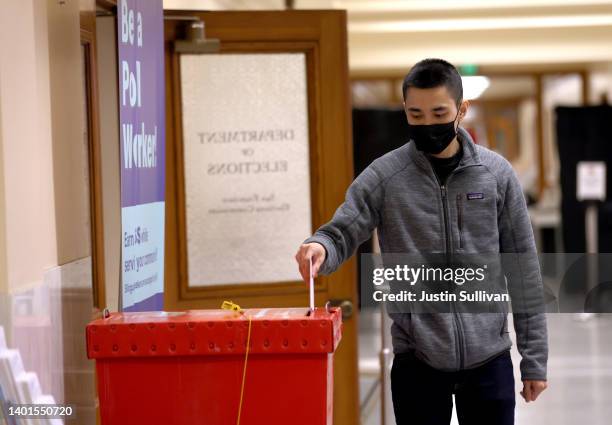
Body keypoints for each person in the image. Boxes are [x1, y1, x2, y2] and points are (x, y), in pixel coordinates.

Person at [294, 58, 548, 425]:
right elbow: (342, 230)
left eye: (439, 112)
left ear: (462, 109)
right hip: (418, 360)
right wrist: (320, 247)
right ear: (405, 112)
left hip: (489, 358)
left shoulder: (496, 175)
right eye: (416, 114)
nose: (428, 124)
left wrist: (534, 358)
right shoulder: (386, 176)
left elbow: (523, 267)